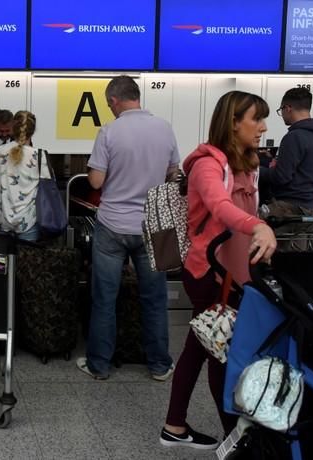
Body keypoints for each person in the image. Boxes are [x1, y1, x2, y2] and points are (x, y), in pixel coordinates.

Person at [160, 91, 277, 450]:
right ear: (233, 121)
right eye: (255, 119)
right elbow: (219, 206)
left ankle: (175, 425)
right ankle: (235, 437)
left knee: (202, 349)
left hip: (235, 275)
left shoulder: (246, 162)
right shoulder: (209, 165)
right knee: (219, 355)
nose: (262, 127)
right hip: (210, 274)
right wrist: (257, 226)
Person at [76, 75, 178, 382]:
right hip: (156, 224)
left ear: (113, 101)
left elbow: (95, 182)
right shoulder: (165, 128)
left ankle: (99, 365)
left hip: (113, 224)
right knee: (155, 299)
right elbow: (174, 175)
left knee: (104, 298)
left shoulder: (109, 131)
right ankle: (159, 365)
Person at [0, 110, 50, 241]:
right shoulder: (39, 156)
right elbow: (47, 187)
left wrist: (4, 181)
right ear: (32, 131)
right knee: (26, 260)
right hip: (29, 221)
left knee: (6, 260)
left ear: (13, 128)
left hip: (6, 221)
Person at [260, 87, 313, 215]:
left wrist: (254, 170)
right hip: (311, 207)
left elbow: (281, 177)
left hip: (290, 208)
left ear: (288, 108)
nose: (282, 115)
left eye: (281, 110)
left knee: (248, 223)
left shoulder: (295, 136)